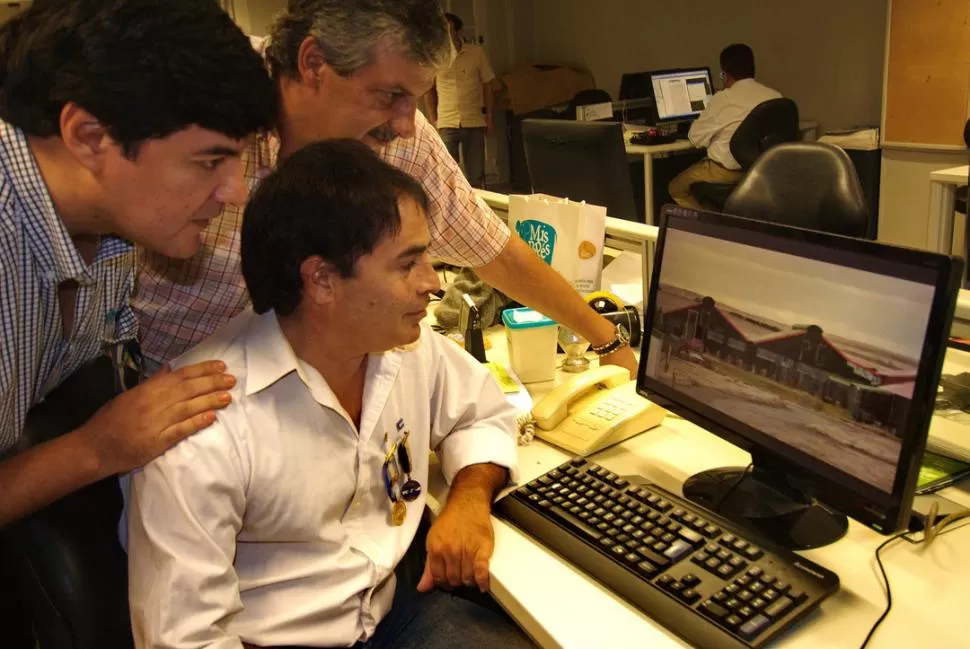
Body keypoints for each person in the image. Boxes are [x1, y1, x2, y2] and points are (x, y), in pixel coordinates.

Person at [125, 140, 534, 649]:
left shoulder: (403, 346)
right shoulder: (203, 423)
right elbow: (185, 639)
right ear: (321, 280)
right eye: (408, 264)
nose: (433, 283)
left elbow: (482, 413)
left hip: (396, 617)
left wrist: (469, 500)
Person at [133, 0, 638, 382]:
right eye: (390, 95)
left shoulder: (398, 138)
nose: (404, 124)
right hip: (169, 389)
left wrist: (607, 340)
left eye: (415, 98)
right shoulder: (206, 96)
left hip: (305, 389)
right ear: (313, 63)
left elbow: (495, 252)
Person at [0, 0, 277, 641]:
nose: (234, 192)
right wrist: (96, 449)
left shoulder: (113, 228)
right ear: (90, 137)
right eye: (208, 162)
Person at [668, 44, 781, 210]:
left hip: (726, 174)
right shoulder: (775, 97)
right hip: (761, 173)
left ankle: (711, 225)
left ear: (726, 75)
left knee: (676, 189)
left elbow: (695, 138)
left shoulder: (723, 98)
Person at [423, 12, 496, 188]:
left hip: (474, 120)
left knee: (476, 173)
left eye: (449, 30)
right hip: (446, 121)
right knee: (447, 173)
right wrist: (434, 120)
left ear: (459, 31)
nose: (446, 34)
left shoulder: (476, 53)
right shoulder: (436, 56)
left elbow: (488, 84)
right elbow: (428, 90)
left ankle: (477, 211)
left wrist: (490, 117)